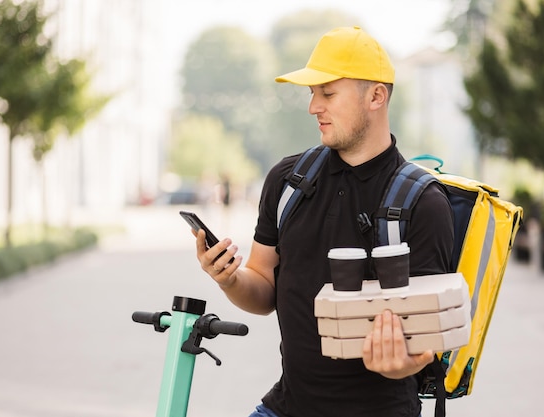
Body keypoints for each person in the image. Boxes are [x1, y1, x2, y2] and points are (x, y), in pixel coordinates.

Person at [194, 26, 454, 417]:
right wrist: (228, 278)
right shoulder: (287, 181)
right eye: (312, 93)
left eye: (328, 93)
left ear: (376, 96)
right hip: (286, 406)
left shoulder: (423, 203)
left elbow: (425, 346)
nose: (314, 106)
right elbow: (263, 288)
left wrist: (402, 362)